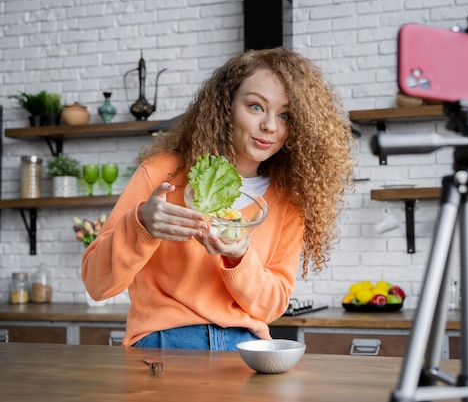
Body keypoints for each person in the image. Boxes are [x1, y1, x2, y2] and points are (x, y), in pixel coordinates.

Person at [81, 47, 355, 350]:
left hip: (247, 348)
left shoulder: (288, 201)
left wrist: (240, 258)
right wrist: (141, 223)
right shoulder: (163, 175)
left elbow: (271, 307)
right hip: (165, 341)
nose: (270, 126)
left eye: (285, 115)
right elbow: (97, 285)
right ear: (226, 106)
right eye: (255, 106)